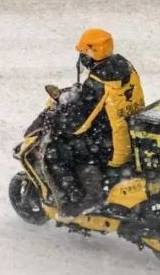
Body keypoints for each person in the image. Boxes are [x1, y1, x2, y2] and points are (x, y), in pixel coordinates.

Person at [46, 28, 145, 217]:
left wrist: (57, 119)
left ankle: (79, 199)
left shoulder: (99, 82)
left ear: (92, 53)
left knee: (56, 152)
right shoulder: (126, 68)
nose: (82, 58)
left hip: (114, 146)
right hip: (133, 134)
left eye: (84, 53)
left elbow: (78, 125)